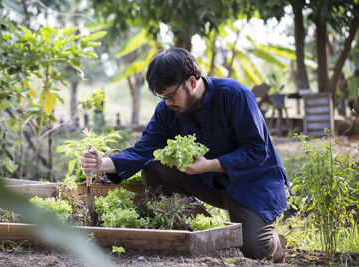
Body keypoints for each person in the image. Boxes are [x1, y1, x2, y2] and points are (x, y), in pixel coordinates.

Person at [80, 47, 291, 263]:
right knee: (153, 171)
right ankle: (204, 230)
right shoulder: (167, 109)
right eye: (163, 97)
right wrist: (102, 163)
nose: (168, 103)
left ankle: (273, 243)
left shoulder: (234, 94)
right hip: (210, 182)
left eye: (171, 96)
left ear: (191, 82)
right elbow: (144, 149)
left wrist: (209, 165)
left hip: (252, 185)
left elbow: (256, 151)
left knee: (256, 250)